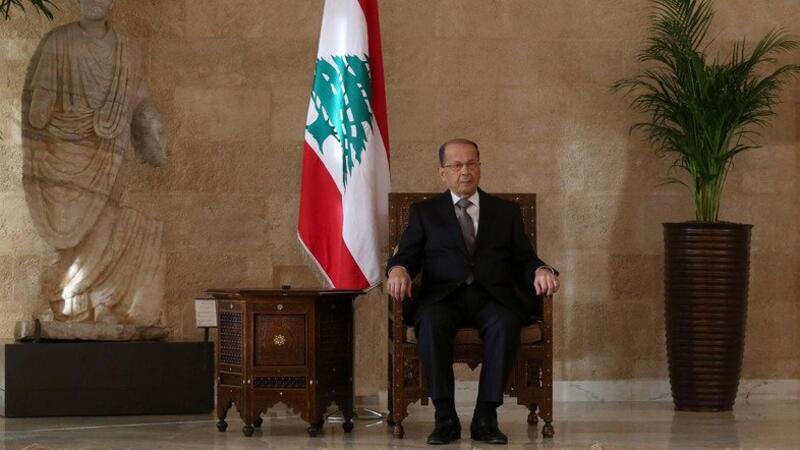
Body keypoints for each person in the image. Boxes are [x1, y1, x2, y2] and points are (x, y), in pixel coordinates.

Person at [386, 138, 560, 445]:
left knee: (505, 323)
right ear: (442, 172)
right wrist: (398, 269)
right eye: (456, 165)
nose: (464, 171)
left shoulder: (505, 212)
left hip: (492, 297)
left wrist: (541, 270)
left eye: (471, 164)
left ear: (479, 167)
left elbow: (524, 258)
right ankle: (445, 418)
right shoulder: (424, 212)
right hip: (442, 298)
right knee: (431, 324)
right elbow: (407, 255)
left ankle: (486, 417)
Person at [22, 0, 167, 326]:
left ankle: (99, 300)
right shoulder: (58, 41)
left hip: (110, 149)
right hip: (63, 152)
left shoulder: (127, 47)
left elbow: (140, 98)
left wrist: (152, 127)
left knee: (104, 221)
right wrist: (42, 109)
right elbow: (38, 105)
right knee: (72, 231)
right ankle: (69, 302)